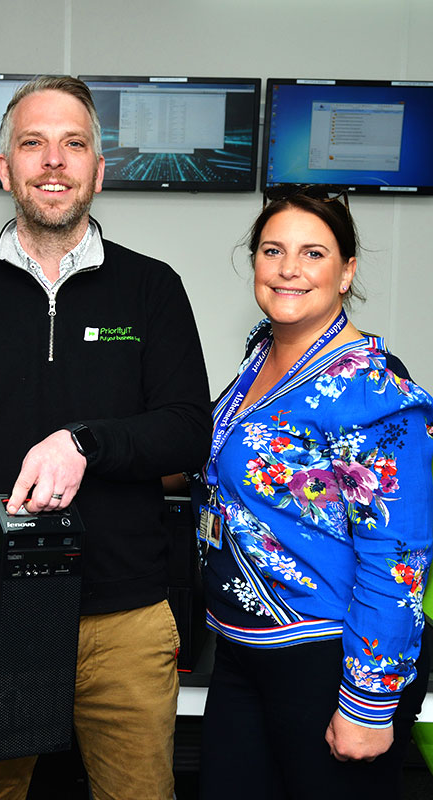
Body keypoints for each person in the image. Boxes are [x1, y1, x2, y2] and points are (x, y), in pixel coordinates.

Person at [0, 76, 212, 800]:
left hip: (125, 619)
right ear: (6, 170)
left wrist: (84, 443)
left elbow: (189, 432)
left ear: (99, 168)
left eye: (74, 144)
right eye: (33, 144)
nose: (54, 160)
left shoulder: (152, 290)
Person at [198, 188, 433, 799]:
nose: (289, 269)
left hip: (327, 656)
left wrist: (368, 704)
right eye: (273, 250)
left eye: (313, 253)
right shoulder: (261, 356)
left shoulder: (373, 392)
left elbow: (399, 557)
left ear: (347, 270)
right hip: (241, 648)